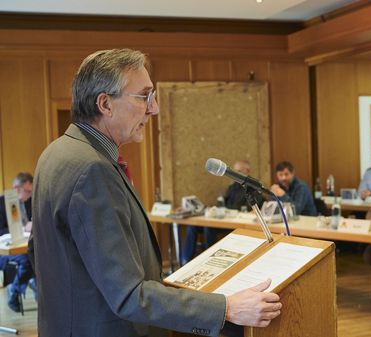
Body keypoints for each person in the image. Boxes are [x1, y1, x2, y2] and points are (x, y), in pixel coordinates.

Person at [32, 49, 281, 337]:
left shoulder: (56, 153)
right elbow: (128, 295)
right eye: (144, 96)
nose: (154, 108)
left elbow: (38, 252)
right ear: (105, 104)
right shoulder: (92, 170)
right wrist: (226, 308)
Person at [181, 160, 262, 265]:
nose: (235, 175)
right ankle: (185, 261)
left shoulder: (253, 187)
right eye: (234, 172)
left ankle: (209, 261)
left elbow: (248, 208)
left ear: (247, 171)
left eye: (238, 171)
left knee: (208, 228)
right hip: (224, 219)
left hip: (236, 223)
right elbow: (222, 203)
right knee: (192, 227)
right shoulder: (232, 187)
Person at [0, 172, 35, 312]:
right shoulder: (1, 204)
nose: (30, 195)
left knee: (40, 255)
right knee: (29, 259)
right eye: (27, 191)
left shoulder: (28, 203)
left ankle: (41, 294)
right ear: (16, 188)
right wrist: (22, 229)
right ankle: (14, 293)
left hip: (24, 246)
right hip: (5, 251)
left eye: (31, 191)